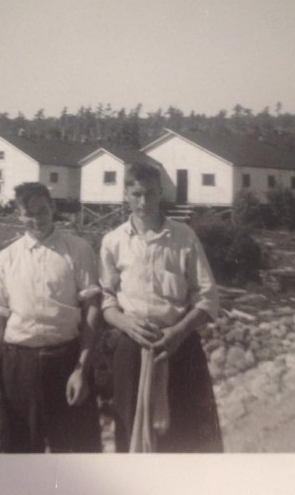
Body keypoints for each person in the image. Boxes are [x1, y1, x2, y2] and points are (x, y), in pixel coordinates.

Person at [99, 163, 223, 452]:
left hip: (179, 348)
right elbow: (106, 300)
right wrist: (124, 322)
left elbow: (208, 298)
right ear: (126, 194)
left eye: (151, 194)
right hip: (132, 349)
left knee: (184, 437)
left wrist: (179, 332)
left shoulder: (183, 237)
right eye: (137, 194)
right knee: (132, 434)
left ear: (161, 193)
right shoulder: (113, 242)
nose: (144, 202)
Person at [0, 182, 102, 453]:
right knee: (19, 455)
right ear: (19, 215)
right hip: (18, 369)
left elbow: (92, 309)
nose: (36, 220)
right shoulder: (6, 258)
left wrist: (82, 368)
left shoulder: (78, 249)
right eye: (29, 213)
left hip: (66, 363)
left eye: (42, 211)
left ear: (53, 208)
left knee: (79, 455)